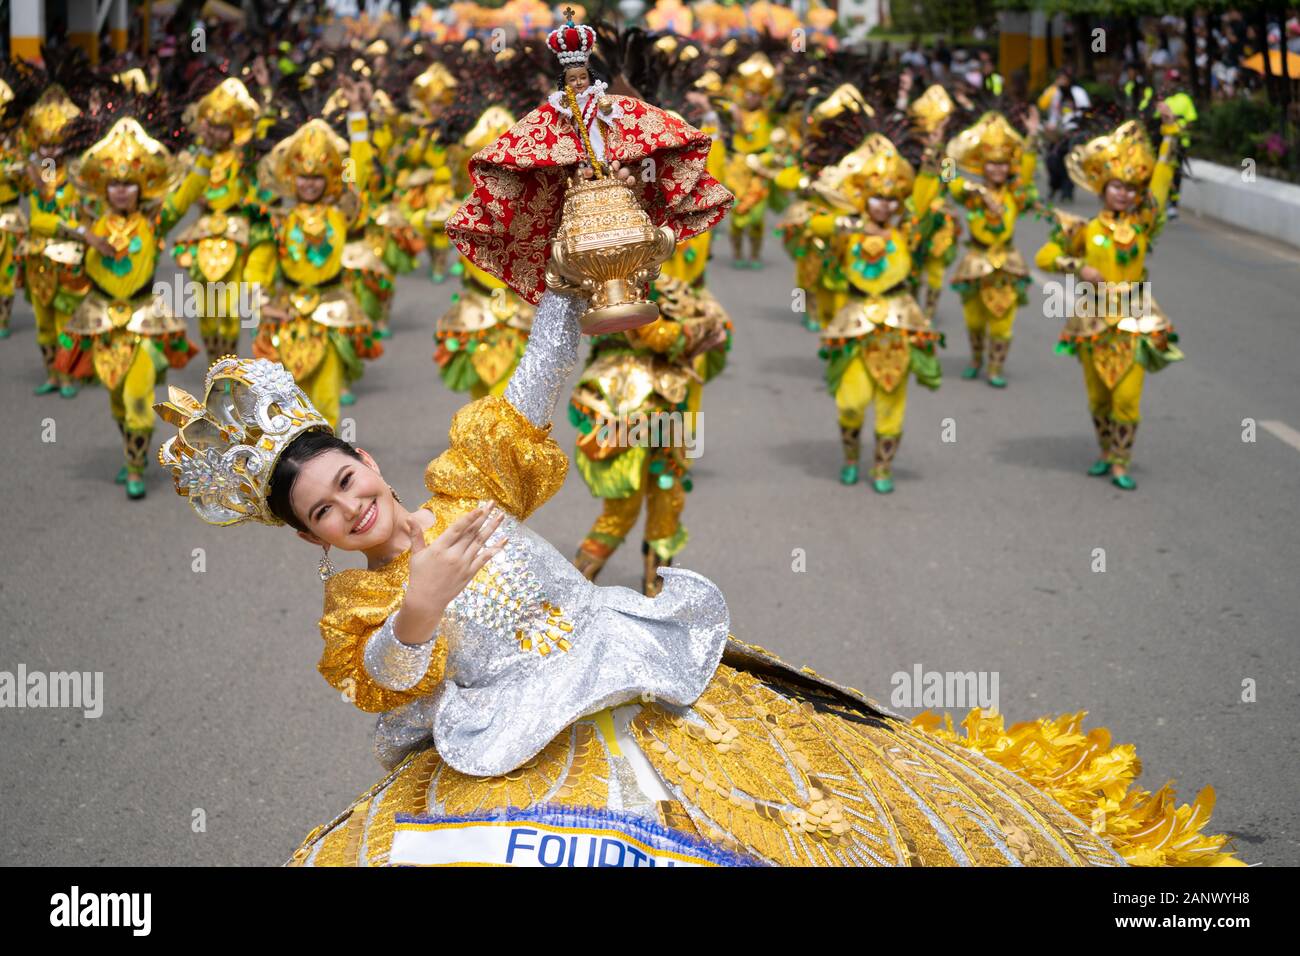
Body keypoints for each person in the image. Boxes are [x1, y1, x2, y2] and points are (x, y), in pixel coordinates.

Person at [56, 113, 208, 499]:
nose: (122, 191)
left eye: (129, 184)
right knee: (116, 398)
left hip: (143, 320)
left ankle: (136, 467)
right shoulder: (90, 222)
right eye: (115, 184)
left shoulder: (154, 222)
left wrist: (206, 151)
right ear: (104, 189)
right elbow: (54, 211)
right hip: (101, 320)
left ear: (142, 189)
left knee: (137, 395)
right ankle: (130, 453)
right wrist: (85, 235)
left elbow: (187, 192)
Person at [1034, 111, 1185, 491]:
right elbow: (1044, 257)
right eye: (1117, 186)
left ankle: (1121, 461)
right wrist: (1077, 266)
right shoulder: (1083, 230)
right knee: (1099, 397)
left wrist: (1169, 135)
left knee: (1127, 398)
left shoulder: (1142, 225)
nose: (1124, 193)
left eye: (1131, 188)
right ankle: (1105, 451)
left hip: (1134, 318)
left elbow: (1162, 184)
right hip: (1092, 323)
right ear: (1102, 187)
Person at [943, 109, 1042, 387]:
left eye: (1002, 164)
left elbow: (1027, 171)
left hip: (1006, 263)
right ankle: (976, 360)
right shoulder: (972, 195)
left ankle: (995, 368)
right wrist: (945, 152)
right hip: (976, 259)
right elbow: (949, 181)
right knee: (974, 319)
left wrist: (1032, 136)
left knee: (1001, 321)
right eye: (992, 164)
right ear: (982, 166)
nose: (998, 169)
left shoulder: (1015, 194)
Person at [1037, 69, 1091, 202]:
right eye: (1059, 79)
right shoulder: (1055, 93)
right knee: (1052, 160)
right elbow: (1049, 110)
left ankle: (1067, 192)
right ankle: (1055, 186)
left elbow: (1085, 112)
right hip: (1058, 133)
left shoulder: (1078, 93)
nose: (1061, 82)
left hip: (1072, 132)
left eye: (1064, 79)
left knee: (1068, 162)